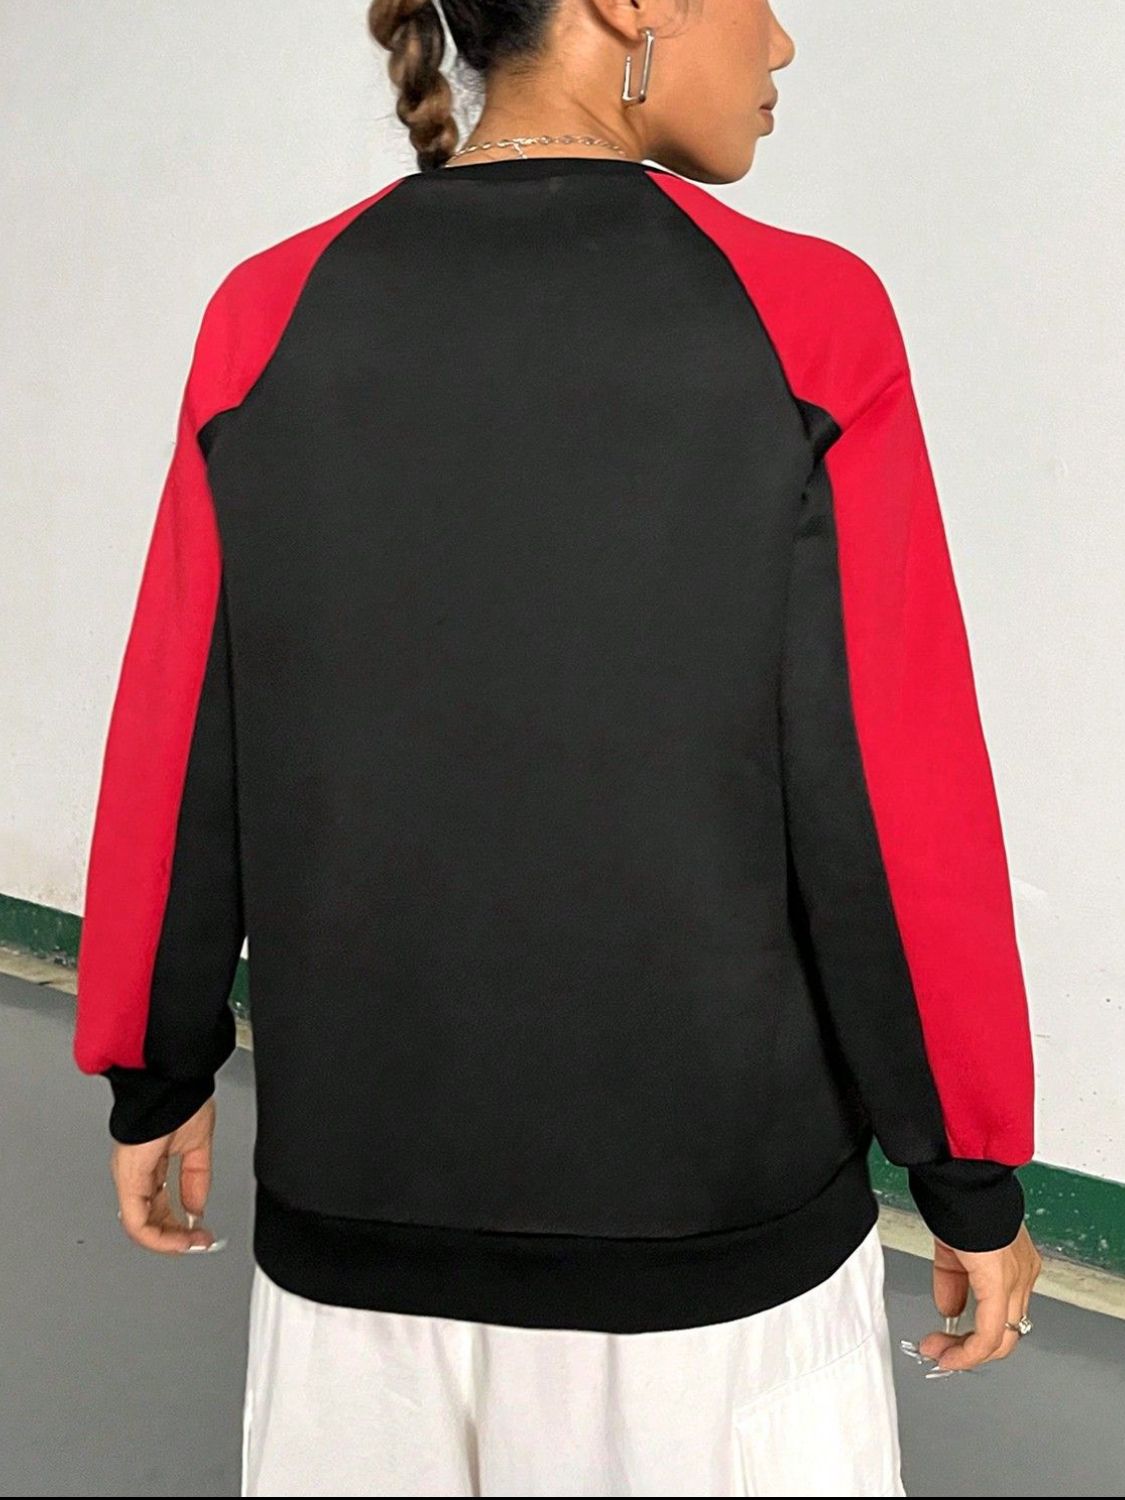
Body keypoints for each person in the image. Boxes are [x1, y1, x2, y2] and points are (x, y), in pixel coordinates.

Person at [72, 1, 1043, 1494]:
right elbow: (889, 789)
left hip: (354, 1244)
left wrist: (157, 1063)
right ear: (630, 5)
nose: (781, 45)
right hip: (706, 1265)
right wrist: (964, 1169)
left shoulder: (267, 311)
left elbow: (182, 728)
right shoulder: (805, 315)